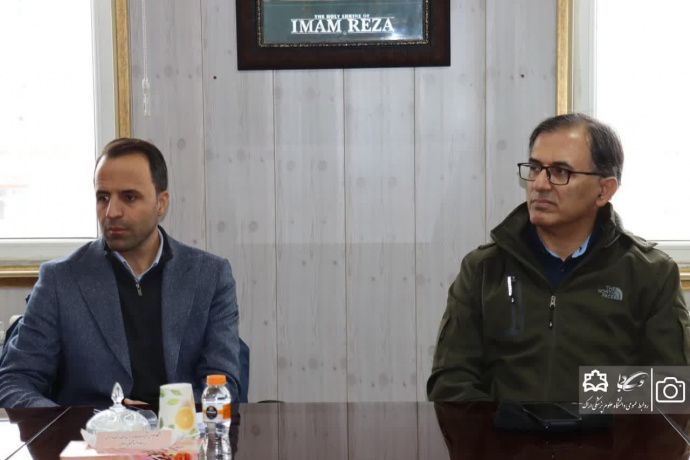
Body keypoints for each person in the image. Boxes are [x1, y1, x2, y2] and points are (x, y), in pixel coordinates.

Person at [427, 113, 690, 402]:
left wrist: (586, 407)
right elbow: (451, 381)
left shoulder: (650, 273)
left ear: (604, 190)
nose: (540, 184)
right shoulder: (484, 268)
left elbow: (671, 386)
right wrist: (506, 422)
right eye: (535, 168)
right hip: (501, 431)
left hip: (609, 432)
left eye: (560, 172)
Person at [0, 138, 240, 408]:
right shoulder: (60, 279)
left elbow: (223, 385)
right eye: (103, 198)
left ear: (161, 203)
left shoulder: (210, 276)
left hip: (179, 429)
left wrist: (161, 416)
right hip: (89, 431)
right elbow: (15, 382)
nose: (111, 212)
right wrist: (72, 424)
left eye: (129, 197)